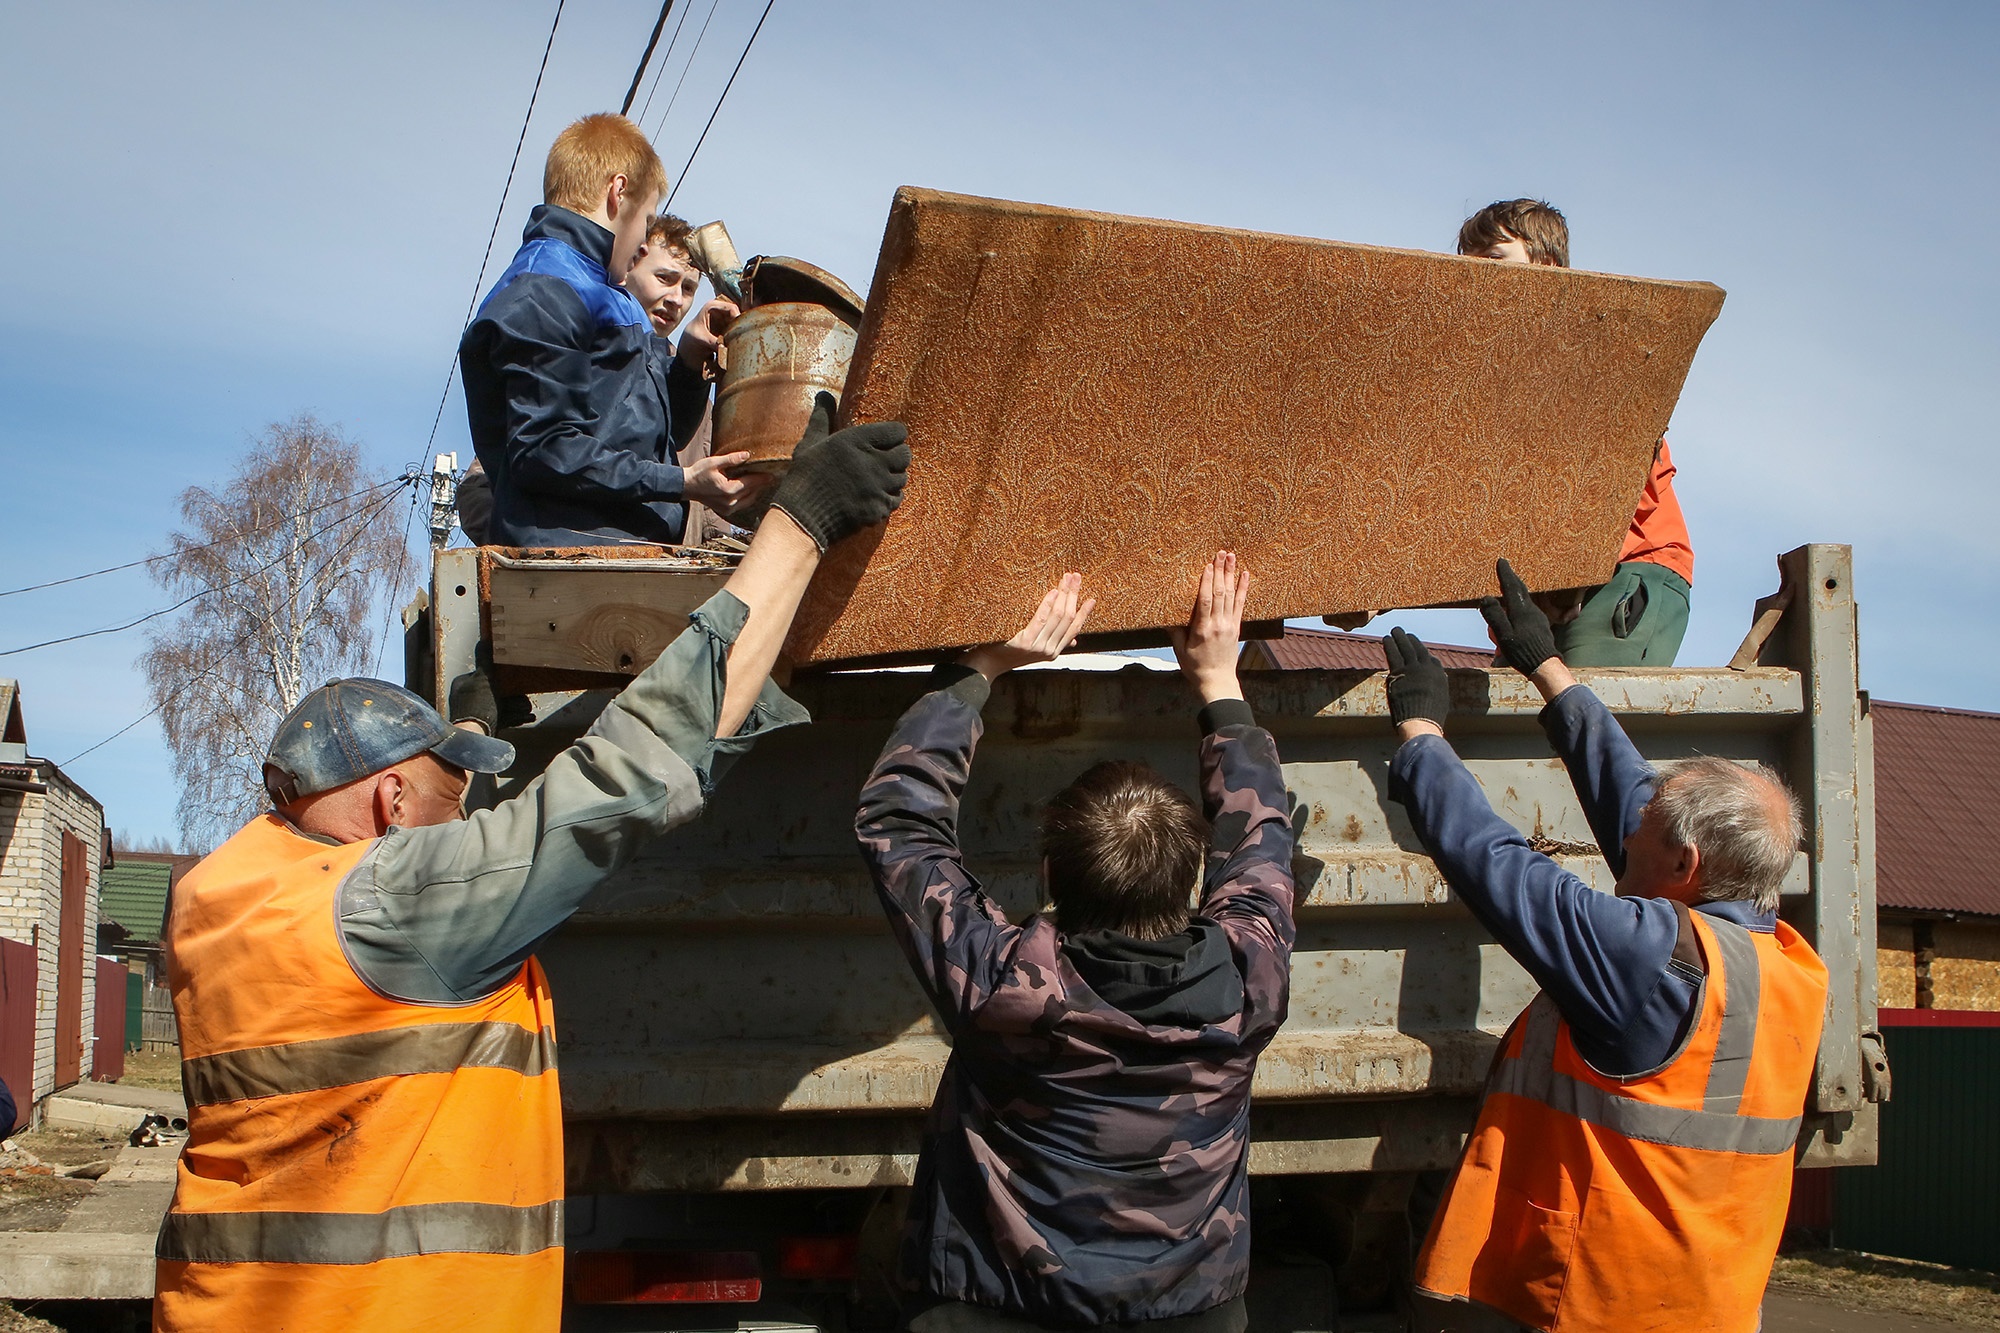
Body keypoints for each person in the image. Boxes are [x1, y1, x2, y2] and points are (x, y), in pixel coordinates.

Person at [152, 399, 909, 1332]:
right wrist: (801, 525)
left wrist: (463, 731)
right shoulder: (395, 907)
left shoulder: (213, 904)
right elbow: (627, 775)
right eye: (450, 795)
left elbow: (404, 854)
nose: (469, 814)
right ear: (390, 803)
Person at [1382, 559, 1828, 1333]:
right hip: (1706, 1305)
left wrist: (1421, 734)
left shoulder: (1648, 959)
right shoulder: (1788, 962)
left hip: (1595, 1306)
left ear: (1686, 867)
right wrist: (1548, 668)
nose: (1628, 839)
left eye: (1645, 838)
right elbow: (1640, 804)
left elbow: (1501, 868)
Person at [857, 552, 1297, 1333]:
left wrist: (980, 662)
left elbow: (898, 824)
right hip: (1187, 1312)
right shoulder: (1246, 977)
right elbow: (1261, 840)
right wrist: (1220, 686)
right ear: (1194, 878)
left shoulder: (1003, 984)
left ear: (1047, 870)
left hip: (996, 1304)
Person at [458, 112, 760, 548]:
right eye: (645, 219)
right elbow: (545, 451)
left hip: (621, 549)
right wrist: (681, 481)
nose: (642, 242)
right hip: (570, 553)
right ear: (618, 193)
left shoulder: (601, 294)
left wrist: (691, 360)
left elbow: (646, 436)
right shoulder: (545, 291)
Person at [1459, 199, 1695, 665]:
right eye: (1466, 265)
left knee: (1580, 712)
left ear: (1546, 264)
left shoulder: (1592, 347)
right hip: (1543, 587)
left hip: (1625, 567)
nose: (1475, 277)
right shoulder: (1487, 379)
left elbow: (1626, 480)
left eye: (1493, 259)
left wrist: (1570, 569)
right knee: (1507, 726)